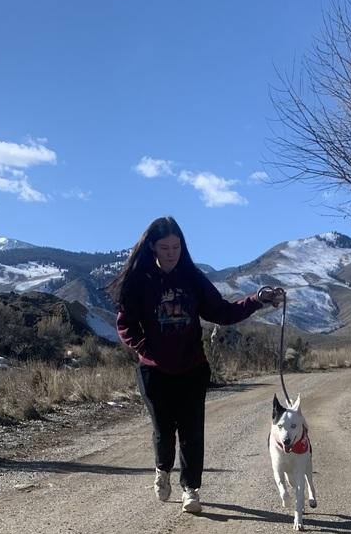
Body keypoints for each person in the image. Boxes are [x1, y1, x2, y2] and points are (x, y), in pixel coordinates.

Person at [108, 216, 284, 514]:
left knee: (192, 430)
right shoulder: (140, 281)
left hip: (192, 367)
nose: (171, 252)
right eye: (165, 247)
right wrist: (143, 347)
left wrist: (257, 299)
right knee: (164, 429)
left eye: (176, 246)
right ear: (152, 247)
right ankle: (162, 469)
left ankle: (191, 490)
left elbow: (222, 312)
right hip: (153, 369)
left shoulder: (192, 278)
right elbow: (125, 324)